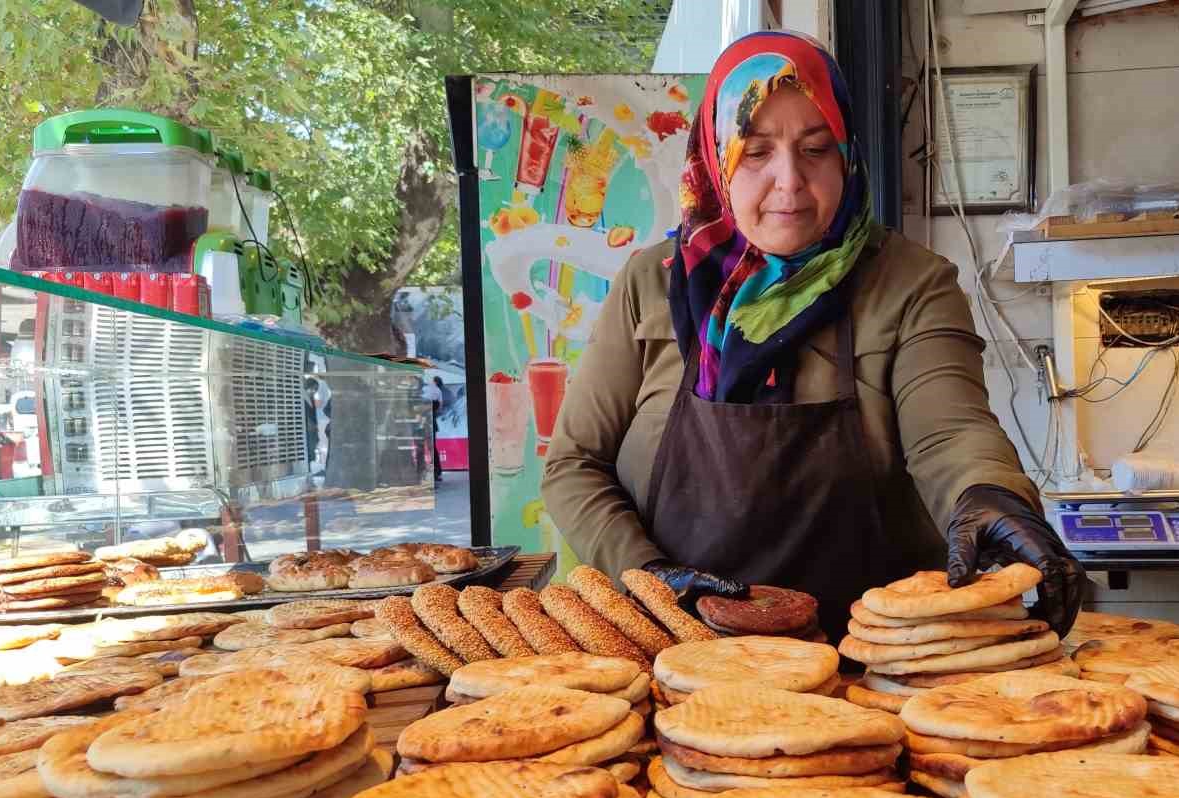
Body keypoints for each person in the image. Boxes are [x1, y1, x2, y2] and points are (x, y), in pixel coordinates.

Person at [541, 31, 1087, 643]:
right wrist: (645, 575)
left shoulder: (910, 283)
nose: (790, 181)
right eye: (755, 151)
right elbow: (575, 463)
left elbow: (952, 432)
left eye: (815, 148)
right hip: (672, 647)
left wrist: (990, 495)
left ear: (846, 155)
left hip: (871, 660)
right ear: (714, 159)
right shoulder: (651, 283)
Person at [421, 377, 445, 483]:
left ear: (434, 382)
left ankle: (427, 472)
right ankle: (437, 472)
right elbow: (440, 407)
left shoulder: (428, 389)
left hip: (424, 422)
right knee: (432, 448)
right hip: (431, 422)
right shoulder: (438, 391)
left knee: (424, 447)